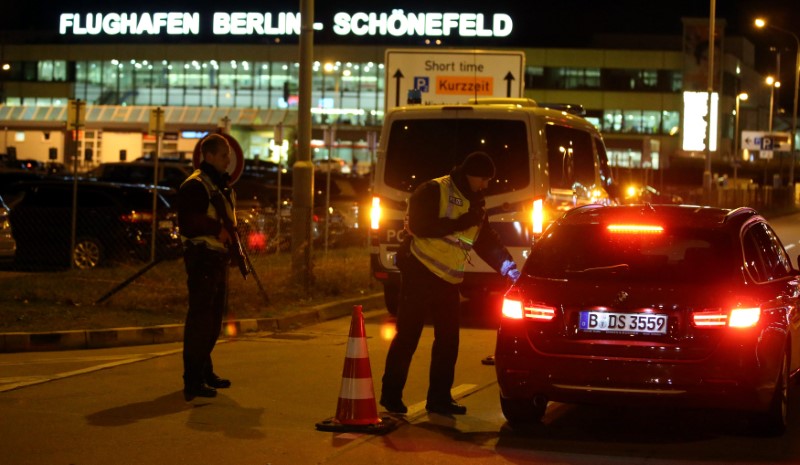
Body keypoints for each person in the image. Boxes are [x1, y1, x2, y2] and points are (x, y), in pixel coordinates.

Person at [380, 151, 521, 415]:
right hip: (419, 271)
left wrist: (509, 269)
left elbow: (485, 241)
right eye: (482, 179)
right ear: (468, 175)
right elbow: (421, 226)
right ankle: (391, 395)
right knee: (408, 336)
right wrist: (460, 222)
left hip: (448, 279)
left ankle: (440, 399)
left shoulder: (477, 205)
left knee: (448, 341)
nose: (485, 185)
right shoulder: (434, 190)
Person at [177, 133, 237, 401]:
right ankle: (193, 380)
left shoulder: (217, 185)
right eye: (224, 155)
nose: (229, 161)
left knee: (211, 321)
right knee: (201, 322)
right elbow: (190, 223)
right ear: (210, 156)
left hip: (216, 259)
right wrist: (217, 230)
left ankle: (204, 371)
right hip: (202, 259)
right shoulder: (196, 185)